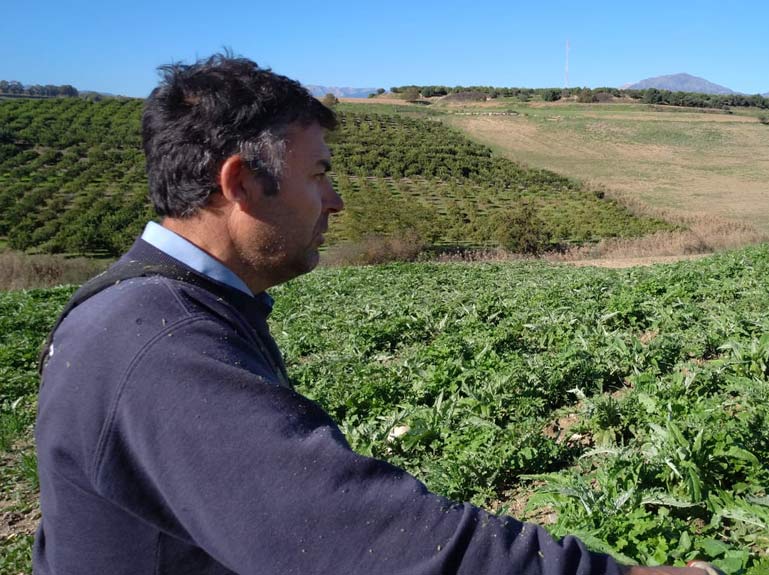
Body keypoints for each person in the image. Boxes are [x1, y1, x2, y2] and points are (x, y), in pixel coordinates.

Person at [33, 53, 721, 575]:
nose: (335, 202)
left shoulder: (146, 308)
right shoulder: (162, 343)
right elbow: (362, 538)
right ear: (240, 183)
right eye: (318, 174)